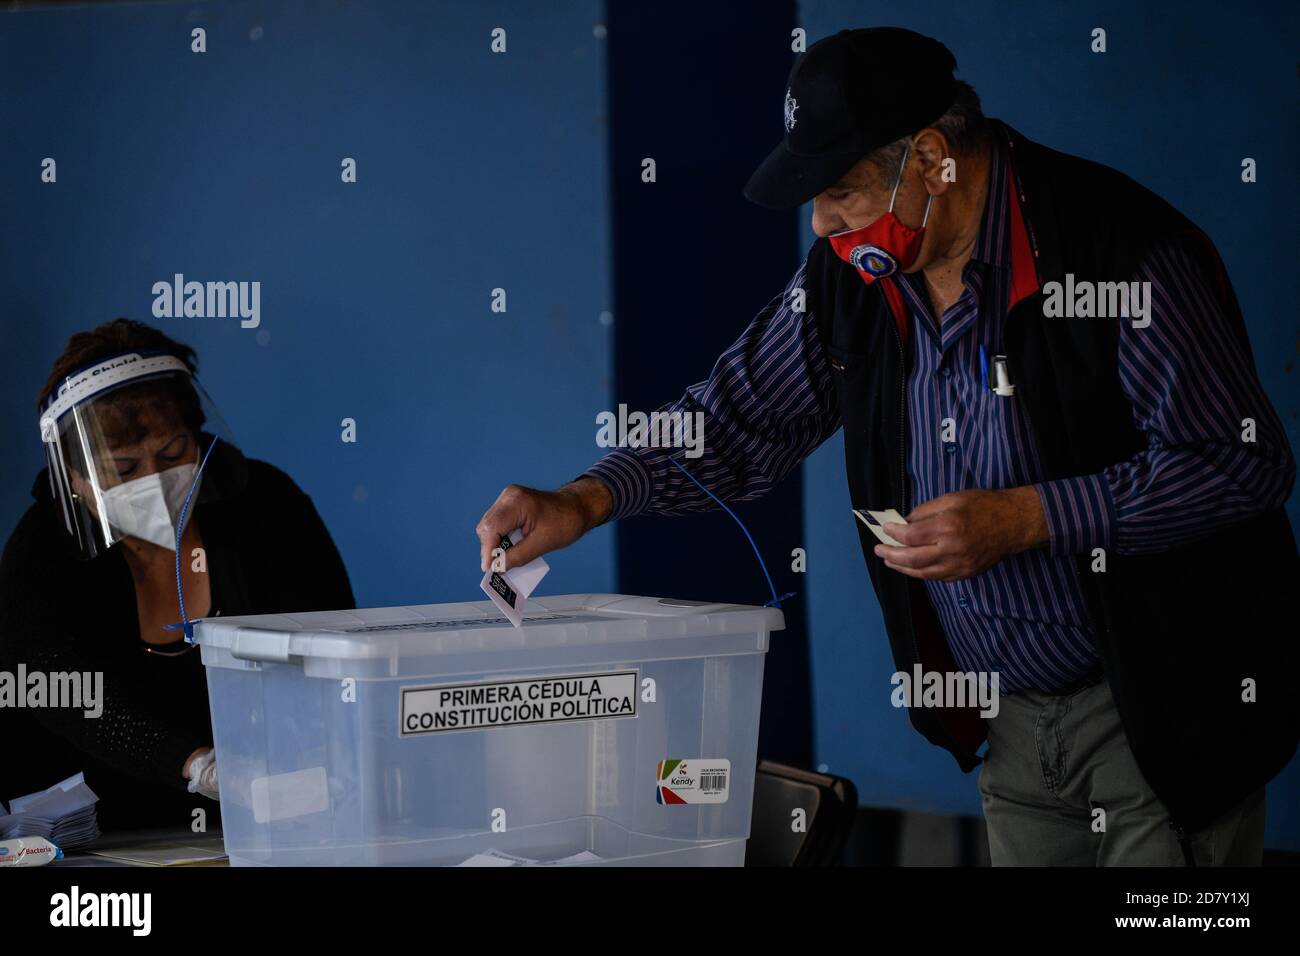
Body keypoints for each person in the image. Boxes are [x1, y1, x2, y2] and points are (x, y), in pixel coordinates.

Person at [477, 28, 1298, 865]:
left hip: (1158, 712)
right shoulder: (853, 275)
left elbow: (1242, 460)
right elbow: (734, 419)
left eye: (841, 190)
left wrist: (1029, 517)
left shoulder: (1119, 249)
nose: (823, 223)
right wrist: (583, 499)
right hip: (1008, 726)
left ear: (933, 158)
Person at [0, 319, 355, 832]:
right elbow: (59, 684)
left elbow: (331, 642)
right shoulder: (43, 547)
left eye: (172, 455)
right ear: (73, 478)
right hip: (82, 830)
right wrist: (197, 765)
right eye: (122, 469)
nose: (153, 481)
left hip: (256, 822)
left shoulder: (266, 506)